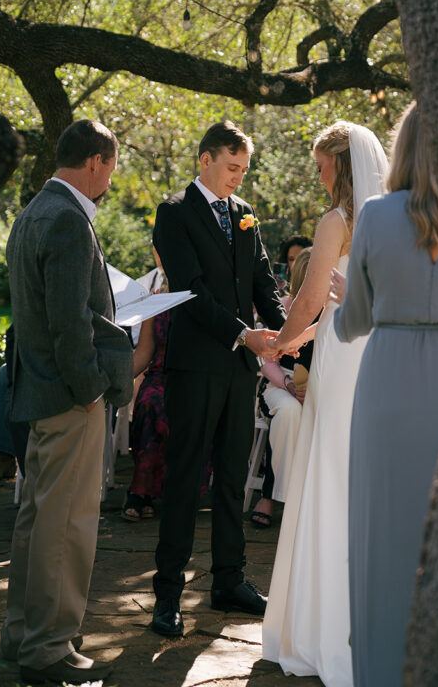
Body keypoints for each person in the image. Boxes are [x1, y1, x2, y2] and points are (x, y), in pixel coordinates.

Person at [333, 102, 438, 687]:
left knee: (382, 537)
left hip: (387, 382)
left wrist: (339, 308)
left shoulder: (375, 216)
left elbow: (355, 319)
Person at [1, 120, 135, 685]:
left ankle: (22, 633)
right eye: (112, 166)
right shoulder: (67, 219)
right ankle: (50, 647)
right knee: (66, 525)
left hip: (37, 391)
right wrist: (92, 391)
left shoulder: (33, 212)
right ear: (96, 162)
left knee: (35, 519)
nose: (111, 178)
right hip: (68, 396)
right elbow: (68, 324)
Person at [262, 121, 388, 687]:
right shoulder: (391, 219)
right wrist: (299, 338)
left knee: (328, 476)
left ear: (340, 165)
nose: (318, 176)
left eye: (321, 166)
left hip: (341, 356)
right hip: (375, 353)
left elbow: (312, 301)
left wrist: (279, 340)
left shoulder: (336, 222)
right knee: (358, 478)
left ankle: (320, 629)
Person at [150, 119, 285, 639]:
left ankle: (229, 581)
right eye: (232, 168)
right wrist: (241, 333)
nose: (238, 179)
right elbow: (189, 287)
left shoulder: (245, 214)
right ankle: (167, 594)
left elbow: (261, 281)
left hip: (239, 368)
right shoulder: (174, 214)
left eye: (244, 170)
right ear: (205, 159)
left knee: (231, 477)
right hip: (196, 363)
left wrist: (280, 330)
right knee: (185, 478)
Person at [122, 254, 212, 522]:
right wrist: (112, 381)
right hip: (160, 375)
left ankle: (175, 491)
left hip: (198, 376)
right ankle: (142, 491)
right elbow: (143, 353)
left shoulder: (207, 304)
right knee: (151, 402)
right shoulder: (157, 303)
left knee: (188, 405)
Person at [250, 247, 314, 528]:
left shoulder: (334, 312)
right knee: (289, 413)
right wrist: (288, 385)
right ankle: (272, 496)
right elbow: (265, 359)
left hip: (319, 385)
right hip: (279, 384)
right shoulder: (282, 308)